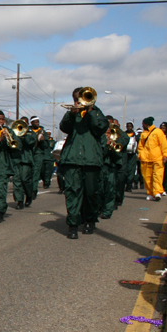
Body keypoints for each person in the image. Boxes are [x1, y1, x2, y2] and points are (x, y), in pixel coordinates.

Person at [58, 87, 109, 238]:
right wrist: (71, 114)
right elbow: (64, 128)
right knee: (73, 192)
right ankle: (73, 225)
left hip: (92, 160)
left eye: (82, 98)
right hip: (72, 159)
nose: (78, 102)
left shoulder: (97, 114)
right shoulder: (72, 114)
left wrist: (91, 110)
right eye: (76, 99)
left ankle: (90, 220)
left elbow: (100, 128)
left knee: (91, 193)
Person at [137, 117, 167, 201]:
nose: (142, 125)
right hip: (145, 159)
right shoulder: (143, 134)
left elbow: (164, 144)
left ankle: (157, 192)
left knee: (157, 176)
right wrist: (141, 155)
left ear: (146, 124)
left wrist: (166, 155)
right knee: (147, 177)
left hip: (157, 158)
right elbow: (140, 147)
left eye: (143, 124)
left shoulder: (158, 132)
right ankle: (150, 193)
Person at [12, 116, 36, 209]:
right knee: (17, 181)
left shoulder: (31, 134)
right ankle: (19, 201)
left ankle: (29, 195)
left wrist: (24, 134)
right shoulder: (15, 132)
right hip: (17, 159)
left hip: (26, 159)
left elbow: (30, 143)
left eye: (24, 123)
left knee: (25, 180)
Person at [29, 116, 47, 200]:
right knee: (28, 174)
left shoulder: (42, 131)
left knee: (36, 173)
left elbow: (46, 146)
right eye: (35, 122)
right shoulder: (28, 131)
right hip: (29, 154)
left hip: (38, 154)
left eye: (38, 122)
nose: (37, 123)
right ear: (31, 123)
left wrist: (42, 141)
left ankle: (33, 190)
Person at [124, 122, 138, 193]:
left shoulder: (136, 136)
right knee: (125, 170)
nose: (129, 128)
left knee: (131, 171)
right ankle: (125, 184)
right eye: (127, 126)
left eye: (130, 126)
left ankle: (129, 186)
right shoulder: (123, 134)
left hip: (132, 155)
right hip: (125, 154)